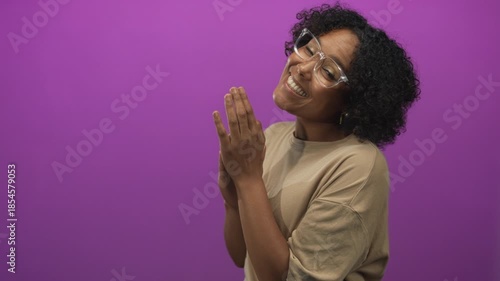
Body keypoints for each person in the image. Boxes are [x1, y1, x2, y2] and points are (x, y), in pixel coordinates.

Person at [212, 3, 420, 281]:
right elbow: (242, 257)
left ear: (354, 102)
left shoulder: (359, 166)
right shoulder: (274, 138)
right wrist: (233, 200)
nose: (303, 68)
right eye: (309, 49)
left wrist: (249, 180)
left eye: (329, 72)